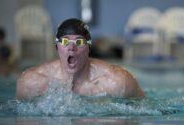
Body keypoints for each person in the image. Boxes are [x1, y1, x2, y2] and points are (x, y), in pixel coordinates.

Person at [16, 18, 145, 100]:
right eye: (65, 41)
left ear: (89, 48)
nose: (71, 47)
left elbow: (144, 108)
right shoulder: (31, 83)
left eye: (79, 42)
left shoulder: (118, 83)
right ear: (56, 47)